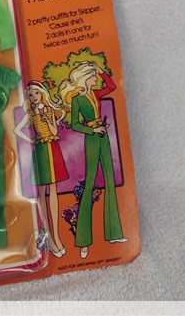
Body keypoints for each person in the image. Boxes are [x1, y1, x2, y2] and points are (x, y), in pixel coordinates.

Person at [59, 62, 127, 259]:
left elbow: (111, 86)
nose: (95, 78)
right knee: (89, 185)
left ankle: (114, 234)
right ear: (85, 78)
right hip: (92, 138)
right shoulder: (77, 99)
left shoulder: (95, 94)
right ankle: (83, 242)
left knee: (110, 181)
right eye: (93, 76)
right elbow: (74, 124)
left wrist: (100, 71)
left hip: (103, 137)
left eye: (95, 76)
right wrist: (92, 129)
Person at [14, 81, 69, 258]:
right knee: (42, 193)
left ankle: (56, 238)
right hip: (40, 151)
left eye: (36, 93)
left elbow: (54, 130)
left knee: (53, 191)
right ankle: (50, 239)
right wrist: (30, 140)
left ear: (42, 93)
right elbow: (17, 129)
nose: (34, 97)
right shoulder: (30, 114)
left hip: (52, 148)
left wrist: (47, 119)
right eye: (30, 95)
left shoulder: (48, 110)